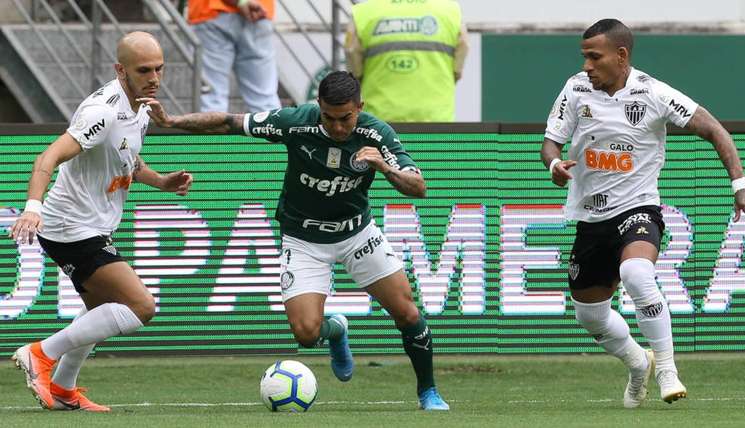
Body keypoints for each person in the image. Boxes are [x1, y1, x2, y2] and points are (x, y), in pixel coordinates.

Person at [139, 70, 449, 410]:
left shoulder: (376, 134)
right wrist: (171, 121)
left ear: (359, 107)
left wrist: (384, 167)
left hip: (358, 234)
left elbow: (418, 187)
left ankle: (428, 392)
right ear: (319, 106)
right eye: (329, 118)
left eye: (345, 118)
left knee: (406, 312)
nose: (338, 127)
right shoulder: (296, 122)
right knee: (305, 333)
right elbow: (229, 121)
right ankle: (337, 331)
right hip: (303, 239)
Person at [541, 19, 745, 408]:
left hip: (638, 208)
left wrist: (740, 184)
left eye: (595, 56)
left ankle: (668, 371)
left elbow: (714, 129)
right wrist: (554, 165)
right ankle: (638, 361)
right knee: (589, 317)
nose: (587, 65)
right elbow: (550, 144)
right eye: (584, 57)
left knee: (637, 273)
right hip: (591, 219)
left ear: (621, 56)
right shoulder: (575, 89)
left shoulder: (653, 93)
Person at [8, 32, 193, 412]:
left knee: (100, 310)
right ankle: (40, 354)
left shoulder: (141, 106)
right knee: (141, 306)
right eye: (144, 70)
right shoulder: (102, 111)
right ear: (120, 69)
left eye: (159, 68)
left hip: (94, 224)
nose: (154, 77)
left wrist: (160, 181)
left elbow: (127, 161)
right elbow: (47, 158)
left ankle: (62, 389)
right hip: (69, 226)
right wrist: (32, 207)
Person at [344, 0, 468, 122]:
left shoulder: (363, 13)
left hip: (380, 124)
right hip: (436, 121)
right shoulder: (451, 11)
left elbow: (354, 73)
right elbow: (458, 68)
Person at [187, 0, 281, 112]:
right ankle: (272, 127)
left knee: (212, 99)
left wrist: (241, 2)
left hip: (211, 12)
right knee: (265, 101)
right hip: (259, 11)